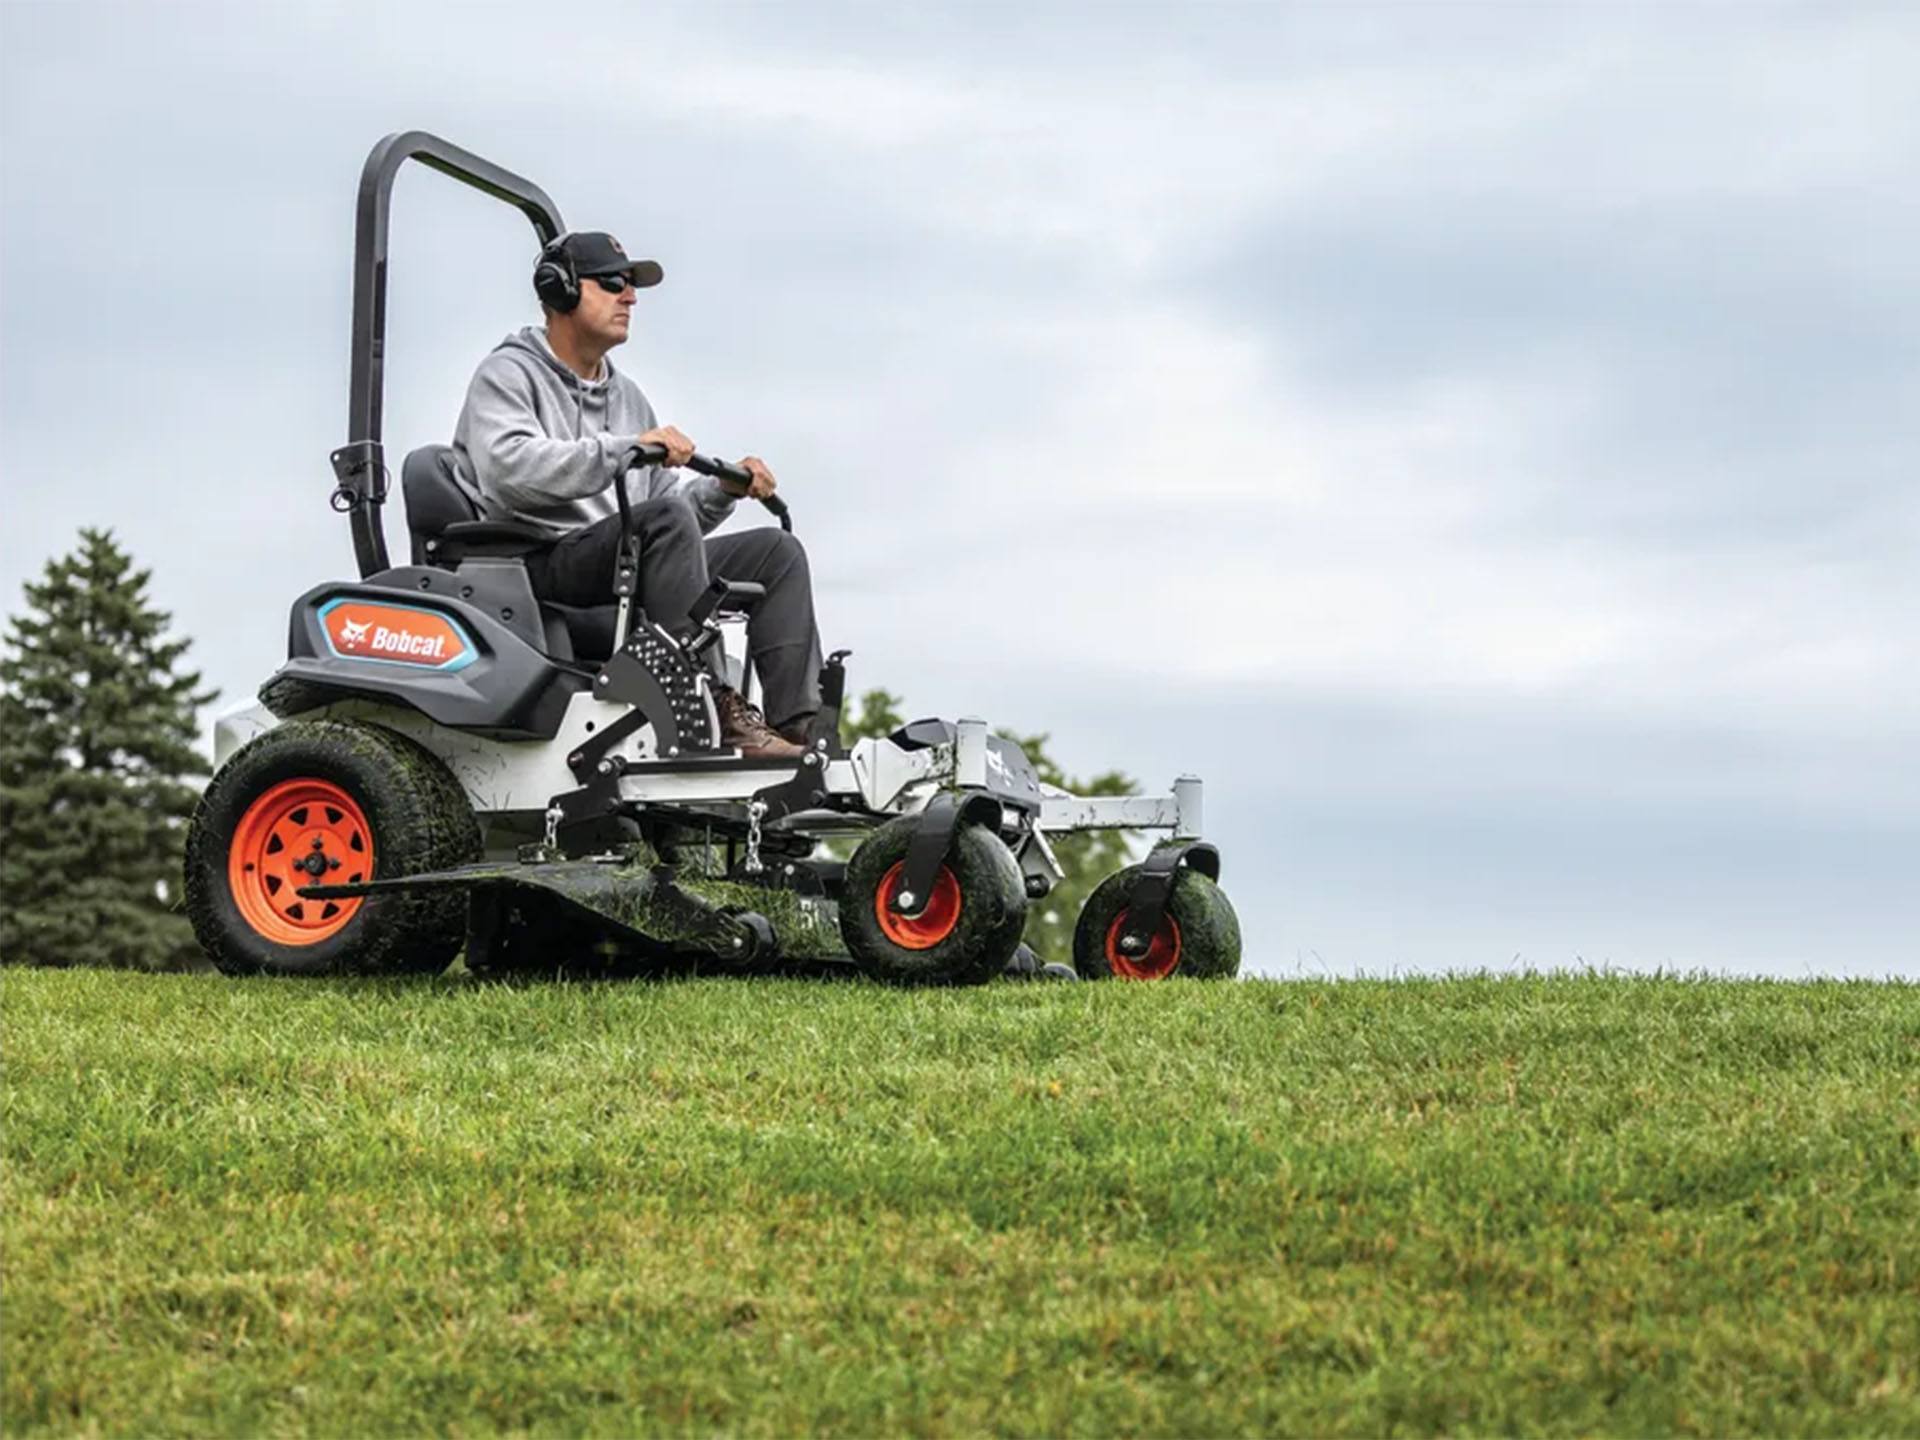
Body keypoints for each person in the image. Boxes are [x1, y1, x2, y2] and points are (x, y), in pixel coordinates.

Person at [450, 231, 819, 761]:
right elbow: (509, 471)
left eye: (632, 286)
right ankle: (705, 708)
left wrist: (720, 491)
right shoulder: (507, 374)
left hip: (620, 553)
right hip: (535, 562)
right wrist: (621, 450)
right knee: (661, 523)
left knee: (775, 554)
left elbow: (673, 516)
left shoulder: (628, 397)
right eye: (614, 283)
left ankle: (796, 738)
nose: (631, 297)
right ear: (560, 290)